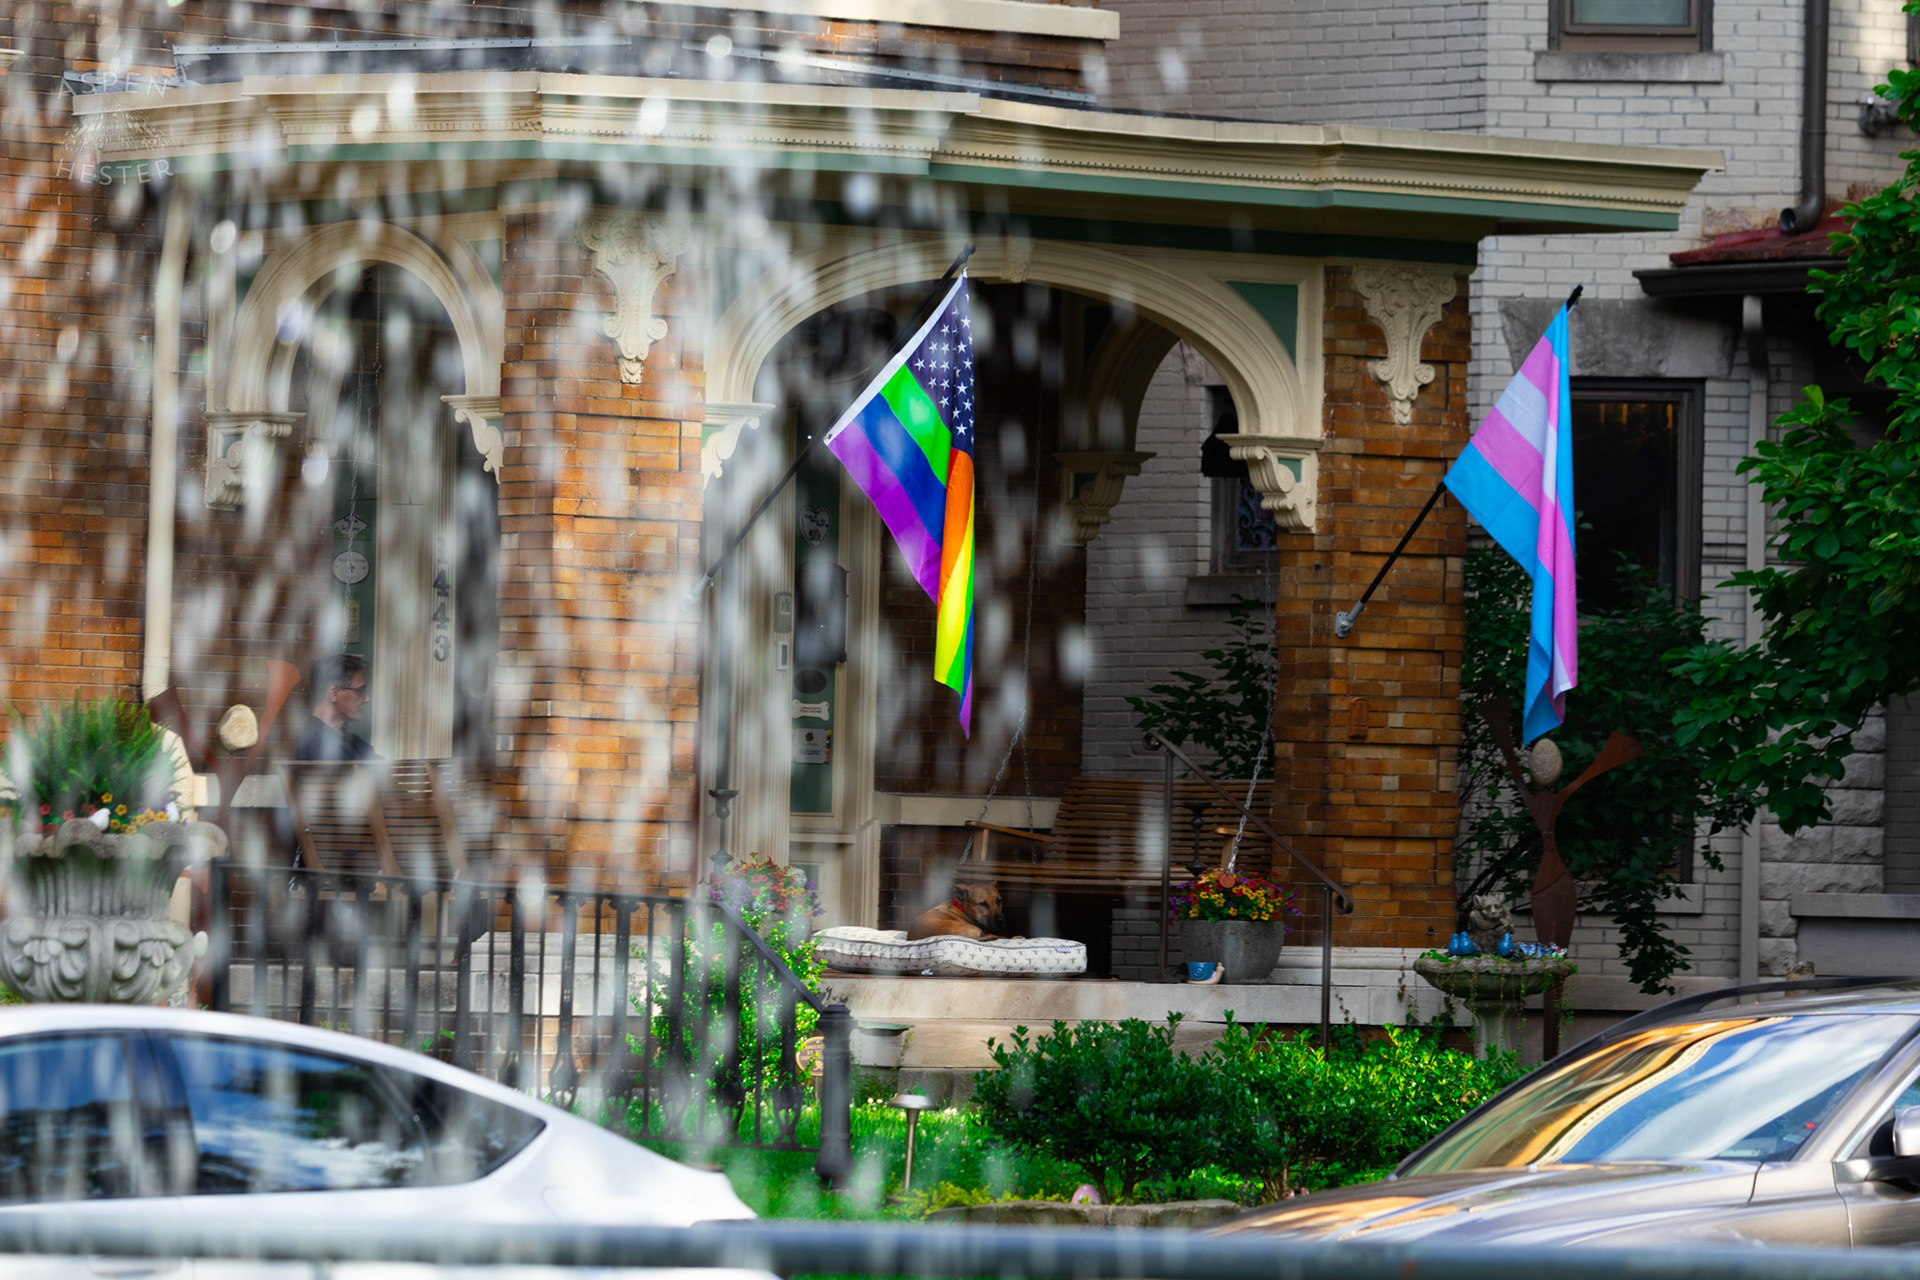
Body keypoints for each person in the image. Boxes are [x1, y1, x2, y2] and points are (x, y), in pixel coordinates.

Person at [298, 653, 381, 762]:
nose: (367, 698)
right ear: (334, 694)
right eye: (359, 691)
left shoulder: (355, 744)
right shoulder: (314, 746)